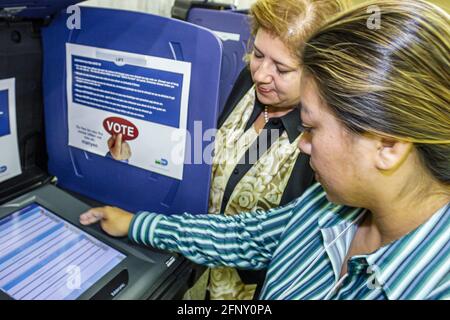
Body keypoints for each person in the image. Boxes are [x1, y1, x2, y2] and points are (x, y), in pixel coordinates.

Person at [81, 0, 450, 299]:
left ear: (387, 145)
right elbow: (247, 236)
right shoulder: (325, 207)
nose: (303, 144)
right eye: (257, 55)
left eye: (312, 127)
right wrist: (137, 223)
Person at [105, 0, 348, 300]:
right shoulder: (250, 83)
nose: (260, 74)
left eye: (282, 69)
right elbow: (213, 154)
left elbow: (260, 239)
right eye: (258, 54)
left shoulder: (322, 147)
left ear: (319, 73)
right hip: (194, 269)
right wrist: (139, 155)